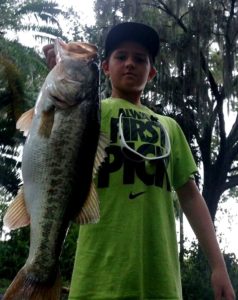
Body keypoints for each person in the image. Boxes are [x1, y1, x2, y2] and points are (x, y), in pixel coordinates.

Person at [43, 22, 236, 300]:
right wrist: (60, 72)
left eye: (140, 59)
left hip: (161, 282)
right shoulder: (90, 113)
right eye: (121, 57)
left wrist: (218, 266)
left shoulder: (169, 127)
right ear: (106, 67)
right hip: (97, 278)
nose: (130, 64)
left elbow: (191, 197)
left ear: (152, 72)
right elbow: (54, 137)